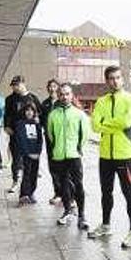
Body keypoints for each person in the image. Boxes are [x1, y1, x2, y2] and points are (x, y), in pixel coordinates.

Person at [88, 66, 131, 249]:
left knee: (128, 192)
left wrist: (106, 124)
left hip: (125, 154)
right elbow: (95, 126)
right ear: (106, 81)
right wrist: (113, 125)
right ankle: (106, 225)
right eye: (111, 78)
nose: (115, 81)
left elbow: (128, 121)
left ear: (123, 79)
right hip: (105, 155)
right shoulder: (101, 101)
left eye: (118, 77)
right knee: (106, 192)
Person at [47, 83, 89, 230]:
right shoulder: (53, 115)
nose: (64, 97)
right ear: (58, 96)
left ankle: (82, 215)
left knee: (78, 185)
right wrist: (58, 148)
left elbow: (85, 135)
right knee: (63, 185)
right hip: (59, 156)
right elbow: (51, 135)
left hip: (74, 155)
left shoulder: (79, 114)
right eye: (62, 94)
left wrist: (78, 148)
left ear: (71, 96)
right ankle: (67, 210)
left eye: (67, 94)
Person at [4, 75, 42, 193]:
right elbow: (7, 115)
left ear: (23, 84)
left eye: (17, 85)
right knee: (16, 159)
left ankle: (29, 185)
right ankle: (15, 181)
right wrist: (7, 126)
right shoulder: (10, 99)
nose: (15, 88)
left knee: (29, 160)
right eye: (13, 85)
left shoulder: (33, 98)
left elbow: (39, 114)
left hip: (29, 135)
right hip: (16, 133)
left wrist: (38, 123)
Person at [41, 79, 63, 205]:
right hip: (49, 140)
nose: (52, 88)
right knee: (53, 167)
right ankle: (58, 193)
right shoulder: (45, 104)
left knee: (65, 168)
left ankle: (71, 195)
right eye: (49, 86)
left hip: (62, 140)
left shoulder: (62, 102)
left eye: (54, 86)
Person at [16, 103, 43, 205]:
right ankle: (24, 195)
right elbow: (21, 140)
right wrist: (27, 153)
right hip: (26, 154)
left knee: (34, 174)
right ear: (24, 112)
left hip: (36, 154)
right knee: (26, 174)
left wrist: (38, 152)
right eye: (27, 110)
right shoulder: (20, 124)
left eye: (32, 110)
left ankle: (31, 193)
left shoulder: (37, 124)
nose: (29, 112)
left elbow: (40, 139)